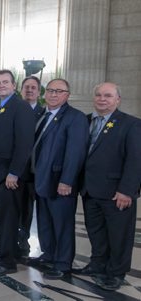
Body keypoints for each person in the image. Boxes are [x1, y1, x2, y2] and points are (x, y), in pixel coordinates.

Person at [77, 82, 141, 291]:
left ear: (117, 100)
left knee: (119, 235)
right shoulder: (86, 121)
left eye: (107, 95)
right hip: (89, 190)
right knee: (96, 232)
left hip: (117, 192)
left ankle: (116, 273)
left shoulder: (131, 124)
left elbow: (135, 160)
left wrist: (127, 190)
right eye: (98, 95)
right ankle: (97, 264)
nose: (102, 99)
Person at [31, 79, 89, 279]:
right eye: (50, 90)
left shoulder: (76, 118)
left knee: (62, 224)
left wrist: (67, 180)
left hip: (60, 182)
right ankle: (48, 255)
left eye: (59, 91)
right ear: (44, 93)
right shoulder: (41, 114)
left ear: (67, 95)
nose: (53, 94)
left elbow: (76, 153)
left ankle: (63, 263)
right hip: (41, 179)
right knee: (45, 221)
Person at [0, 69, 34, 276]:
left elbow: (24, 144)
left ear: (14, 85)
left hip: (9, 176)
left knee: (7, 219)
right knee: (4, 217)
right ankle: (10, 253)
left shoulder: (20, 107)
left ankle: (7, 262)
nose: (1, 85)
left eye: (5, 82)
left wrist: (14, 172)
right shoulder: (2, 107)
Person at [18, 76, 45, 256]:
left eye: (33, 87)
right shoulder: (15, 110)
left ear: (39, 91)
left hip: (37, 172)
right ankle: (18, 240)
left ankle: (28, 241)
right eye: (26, 87)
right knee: (17, 209)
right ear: (21, 89)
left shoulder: (45, 113)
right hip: (17, 170)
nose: (29, 90)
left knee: (30, 210)